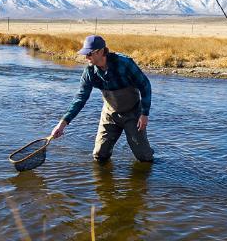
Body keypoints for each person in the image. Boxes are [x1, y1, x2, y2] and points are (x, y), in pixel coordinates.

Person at [50, 35, 154, 163]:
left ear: (100, 51)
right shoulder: (89, 72)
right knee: (99, 155)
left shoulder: (124, 63)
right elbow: (80, 98)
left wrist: (144, 114)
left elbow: (145, 86)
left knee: (144, 158)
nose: (86, 57)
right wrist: (62, 124)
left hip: (133, 114)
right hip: (110, 114)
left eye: (89, 54)